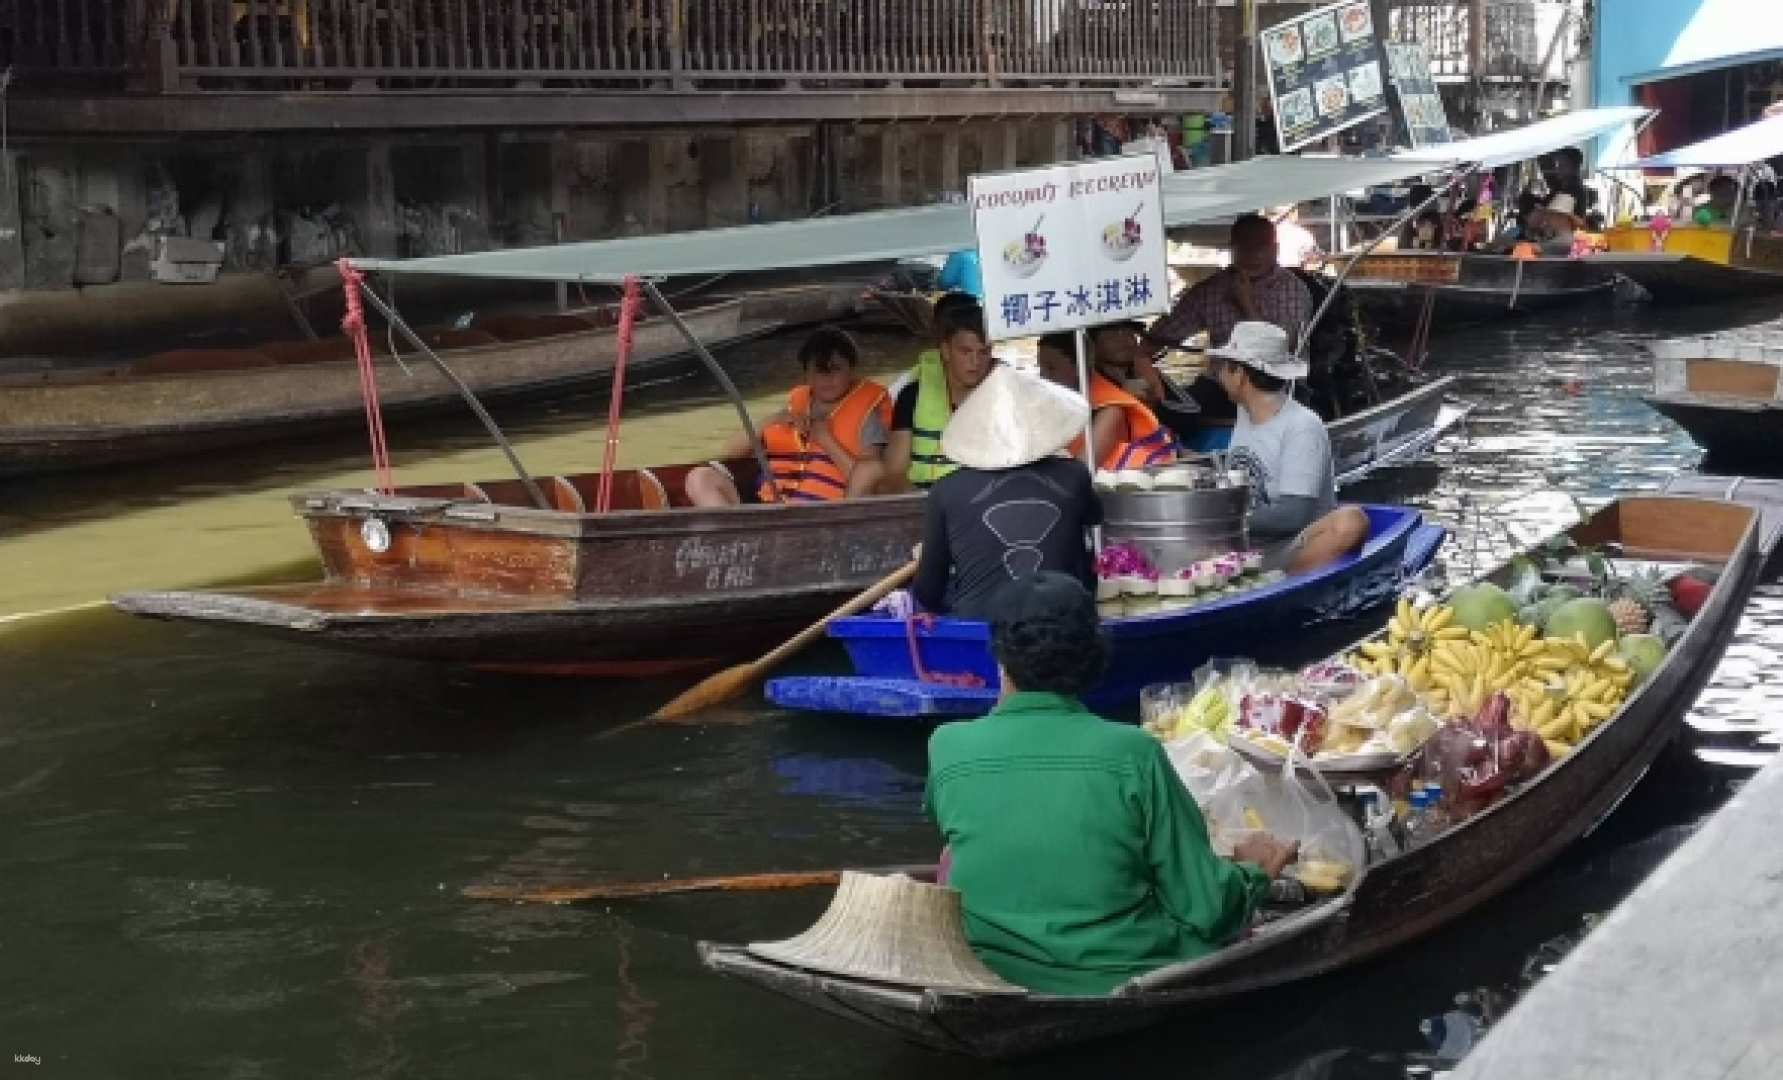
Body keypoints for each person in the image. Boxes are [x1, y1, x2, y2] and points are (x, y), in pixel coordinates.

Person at [925, 572, 1299, 995]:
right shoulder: (1134, 752)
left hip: (990, 963)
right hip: (1114, 971)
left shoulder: (947, 744)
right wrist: (1255, 871)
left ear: (1000, 659)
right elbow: (1208, 907)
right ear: (1092, 658)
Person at [910, 366, 1101, 618]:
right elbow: (1094, 517)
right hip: (1065, 615)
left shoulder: (945, 490)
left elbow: (928, 592)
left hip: (980, 622)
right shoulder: (1074, 474)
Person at [1210, 322, 1370, 575]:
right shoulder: (1245, 411)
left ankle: (1276, 583)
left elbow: (1293, 516)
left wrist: (1215, 521)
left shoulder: (1301, 426)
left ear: (1240, 376)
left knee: (1350, 522)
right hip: (1240, 545)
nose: (1218, 375)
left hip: (1286, 549)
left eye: (1224, 368)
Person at [684, 326, 892, 506]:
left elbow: (871, 480)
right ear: (807, 375)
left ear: (852, 370)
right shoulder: (795, 407)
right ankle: (738, 542)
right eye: (819, 370)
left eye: (835, 369)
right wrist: (771, 420)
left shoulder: (868, 415)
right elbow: (732, 451)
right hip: (770, 504)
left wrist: (826, 440)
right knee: (699, 478)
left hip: (822, 511)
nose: (827, 378)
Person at [1144, 212, 1314, 354]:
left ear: (1274, 250)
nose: (1251, 255)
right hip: (1223, 383)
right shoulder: (1213, 289)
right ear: (1232, 249)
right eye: (1243, 248)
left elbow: (1282, 350)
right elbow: (1165, 332)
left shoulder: (1291, 289)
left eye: (1259, 248)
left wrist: (1246, 304)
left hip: (1275, 386)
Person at [883, 300, 995, 492]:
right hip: (923, 500)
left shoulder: (1003, 396)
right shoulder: (911, 396)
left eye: (983, 352)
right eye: (965, 351)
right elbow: (895, 473)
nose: (975, 362)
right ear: (945, 350)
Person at [1034, 332, 1180, 471]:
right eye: (1040, 369)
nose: (1043, 377)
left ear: (1079, 367)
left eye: (1051, 368)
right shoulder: (1063, 405)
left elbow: (1082, 470)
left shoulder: (1111, 412)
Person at [1271, 203, 1323, 270]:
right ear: (1293, 212)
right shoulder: (1304, 234)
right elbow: (1314, 261)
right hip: (1294, 273)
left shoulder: (1269, 232)